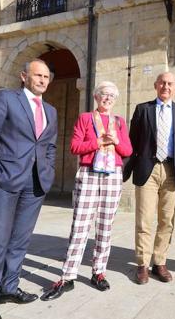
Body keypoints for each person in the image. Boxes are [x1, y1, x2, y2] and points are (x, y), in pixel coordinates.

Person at [0, 59, 57, 319]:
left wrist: (49, 171)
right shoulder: (6, 99)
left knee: (20, 240)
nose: (43, 80)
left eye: (46, 76)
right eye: (38, 75)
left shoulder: (51, 111)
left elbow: (49, 146)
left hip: (35, 184)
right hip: (5, 181)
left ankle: (9, 287)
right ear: (24, 76)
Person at [40, 81, 132, 300]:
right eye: (103, 94)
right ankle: (68, 275)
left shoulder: (119, 122)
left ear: (115, 99)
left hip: (112, 175)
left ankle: (98, 272)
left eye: (111, 95)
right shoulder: (85, 118)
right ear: (96, 97)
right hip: (89, 173)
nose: (107, 98)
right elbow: (74, 147)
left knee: (105, 226)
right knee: (80, 225)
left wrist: (116, 141)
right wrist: (97, 142)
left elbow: (127, 150)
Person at [128, 72, 175, 284]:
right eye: (162, 83)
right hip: (148, 169)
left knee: (167, 221)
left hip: (172, 170)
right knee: (144, 220)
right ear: (156, 85)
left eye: (170, 83)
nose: (166, 86)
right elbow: (133, 141)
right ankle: (142, 264)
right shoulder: (142, 109)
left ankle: (160, 262)